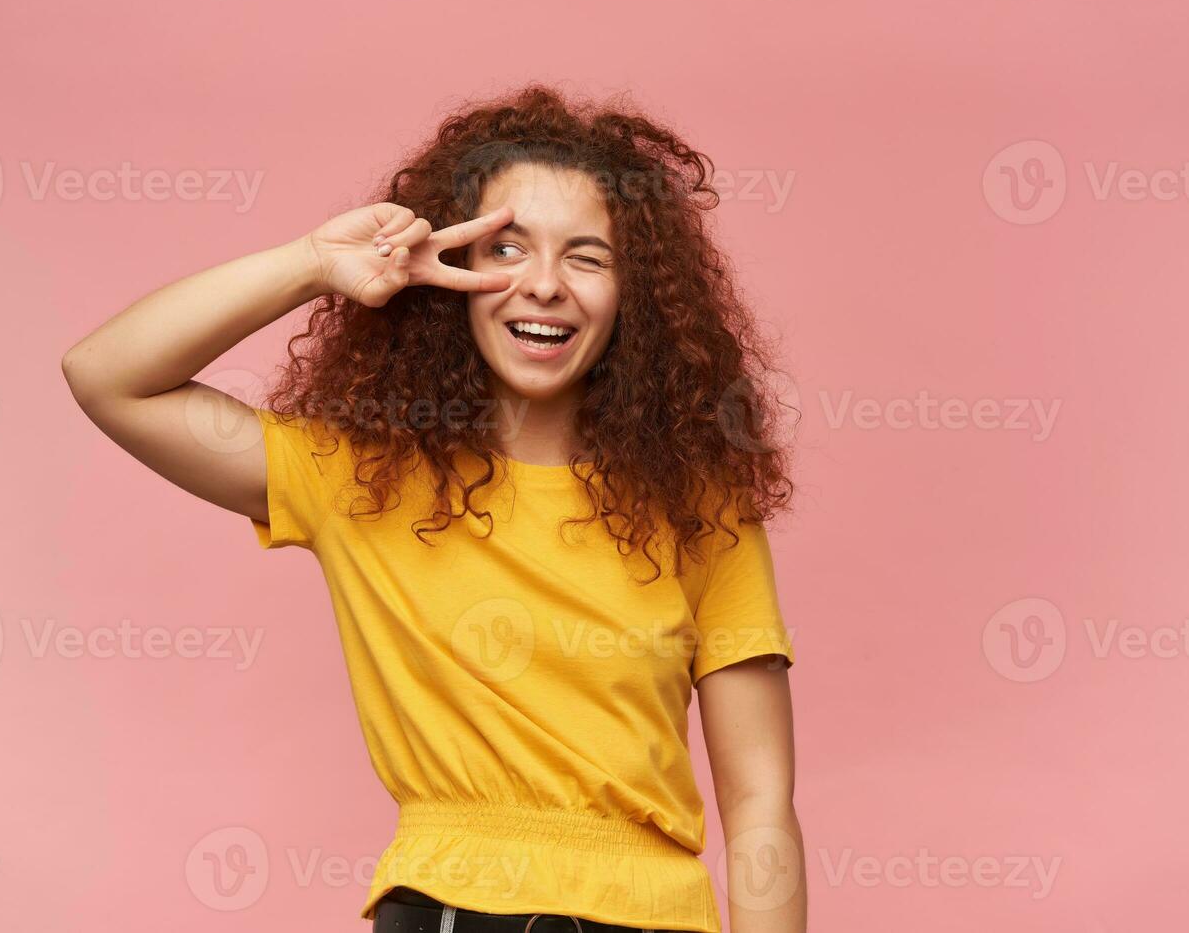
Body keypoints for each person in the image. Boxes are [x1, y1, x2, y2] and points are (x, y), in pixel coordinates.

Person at [61, 83, 805, 933]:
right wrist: (312, 261)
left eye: (588, 258)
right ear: (453, 270)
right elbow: (109, 376)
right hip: (446, 907)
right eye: (508, 249)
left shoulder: (697, 507)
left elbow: (760, 805)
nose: (546, 285)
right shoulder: (363, 478)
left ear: (634, 300)